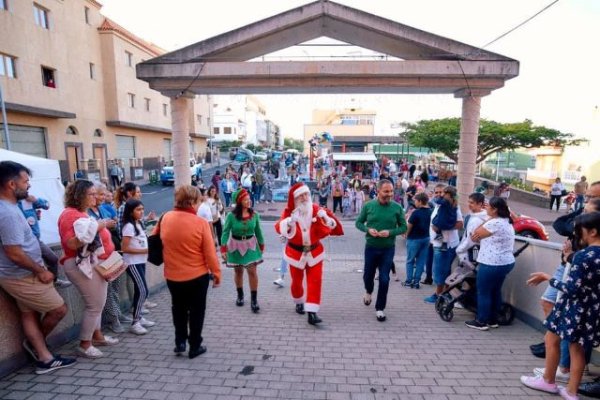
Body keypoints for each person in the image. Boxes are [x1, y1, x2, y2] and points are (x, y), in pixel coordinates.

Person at [0, 161, 76, 374]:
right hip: (21, 276)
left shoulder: (10, 208)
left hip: (19, 274)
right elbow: (13, 252)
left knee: (28, 314)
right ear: (11, 184)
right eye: (25, 181)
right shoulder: (7, 213)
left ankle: (43, 357)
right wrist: (40, 270)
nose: (29, 186)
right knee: (59, 309)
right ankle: (37, 346)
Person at [521, 211, 600, 399]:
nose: (577, 234)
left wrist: (547, 278)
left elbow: (571, 289)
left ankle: (548, 381)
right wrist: (570, 258)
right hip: (591, 310)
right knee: (577, 349)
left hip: (572, 308)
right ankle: (571, 392)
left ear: (593, 231)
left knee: (552, 340)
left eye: (580, 230)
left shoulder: (583, 256)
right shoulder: (589, 255)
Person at [155, 185, 221, 358]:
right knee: (197, 311)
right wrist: (217, 273)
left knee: (178, 309)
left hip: (172, 276)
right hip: (197, 276)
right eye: (199, 201)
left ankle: (180, 341)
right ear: (192, 202)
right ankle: (195, 346)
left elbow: (155, 238)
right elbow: (209, 253)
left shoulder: (165, 218)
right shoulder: (200, 223)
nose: (200, 205)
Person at [58, 180, 120, 359]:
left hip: (94, 264)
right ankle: (85, 344)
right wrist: (99, 226)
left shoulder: (80, 213)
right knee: (95, 305)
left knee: (98, 304)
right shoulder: (70, 215)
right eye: (91, 194)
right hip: (83, 265)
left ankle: (97, 336)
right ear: (79, 196)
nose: (95, 197)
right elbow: (71, 243)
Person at [275, 183, 343, 325]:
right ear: (295, 199)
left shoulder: (316, 210)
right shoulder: (289, 212)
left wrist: (327, 219)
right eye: (301, 195)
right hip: (295, 254)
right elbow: (279, 226)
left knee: (315, 281)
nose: (305, 198)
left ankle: (312, 312)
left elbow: (332, 224)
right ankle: (299, 300)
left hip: (314, 253)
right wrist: (288, 222)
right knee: (296, 283)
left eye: (306, 194)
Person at [356, 180, 407, 322]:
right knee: (368, 276)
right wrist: (368, 229)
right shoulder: (369, 206)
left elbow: (404, 227)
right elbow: (358, 223)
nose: (389, 194)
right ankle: (368, 292)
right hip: (371, 247)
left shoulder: (397, 208)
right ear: (378, 191)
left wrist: (390, 232)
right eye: (386, 191)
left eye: (391, 191)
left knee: (385, 279)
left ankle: (380, 308)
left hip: (388, 249)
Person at [466, 196, 515, 330]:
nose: (485, 208)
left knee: (483, 292)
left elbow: (475, 234)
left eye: (488, 206)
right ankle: (493, 320)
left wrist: (488, 220)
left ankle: (481, 321)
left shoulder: (494, 223)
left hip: (492, 263)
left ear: (495, 210)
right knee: (495, 291)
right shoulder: (506, 221)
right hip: (505, 262)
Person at [220, 188, 265, 313]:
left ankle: (254, 300)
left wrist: (261, 245)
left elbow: (259, 231)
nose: (248, 201)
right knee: (238, 272)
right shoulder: (231, 216)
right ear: (239, 202)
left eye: (248, 199)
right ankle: (240, 295)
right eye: (245, 200)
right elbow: (225, 232)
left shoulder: (255, 215)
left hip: (251, 246)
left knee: (252, 271)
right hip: (235, 246)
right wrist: (223, 248)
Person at [18, 194, 71, 288]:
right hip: (20, 242)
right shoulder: (10, 205)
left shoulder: (29, 200)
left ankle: (54, 281)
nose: (28, 185)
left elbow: (46, 205)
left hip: (35, 239)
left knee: (53, 259)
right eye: (25, 182)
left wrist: (35, 201)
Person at [424, 185, 463, 304]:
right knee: (440, 270)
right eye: (436, 192)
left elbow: (460, 224)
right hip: (437, 243)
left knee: (442, 271)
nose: (439, 194)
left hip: (445, 245)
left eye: (441, 192)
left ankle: (440, 295)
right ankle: (443, 294)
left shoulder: (453, 205)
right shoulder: (438, 205)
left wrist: (443, 227)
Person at [121, 199, 153, 335]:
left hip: (140, 261)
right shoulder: (128, 226)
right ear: (130, 211)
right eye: (138, 210)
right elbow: (124, 248)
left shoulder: (138, 223)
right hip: (132, 262)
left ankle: (138, 317)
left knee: (141, 291)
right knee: (143, 290)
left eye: (142, 209)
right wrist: (144, 251)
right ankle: (135, 322)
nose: (141, 212)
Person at [403, 192, 432, 288]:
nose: (414, 202)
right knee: (421, 261)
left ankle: (408, 282)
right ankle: (416, 283)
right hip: (426, 238)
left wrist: (406, 235)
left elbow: (409, 226)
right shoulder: (431, 211)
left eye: (415, 200)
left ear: (420, 201)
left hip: (414, 239)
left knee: (410, 260)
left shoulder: (416, 213)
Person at [455, 192, 488, 270]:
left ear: (480, 204)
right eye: (469, 202)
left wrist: (460, 249)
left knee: (471, 273)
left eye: (472, 203)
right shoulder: (476, 216)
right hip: (473, 251)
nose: (469, 204)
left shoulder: (476, 220)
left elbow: (471, 239)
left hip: (471, 251)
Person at [431, 186, 458, 251]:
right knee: (444, 232)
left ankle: (439, 234)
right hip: (450, 222)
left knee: (435, 224)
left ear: (448, 195)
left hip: (442, 222)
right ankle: (443, 242)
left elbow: (437, 201)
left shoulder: (445, 201)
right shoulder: (454, 202)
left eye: (443, 193)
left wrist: (440, 197)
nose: (441, 194)